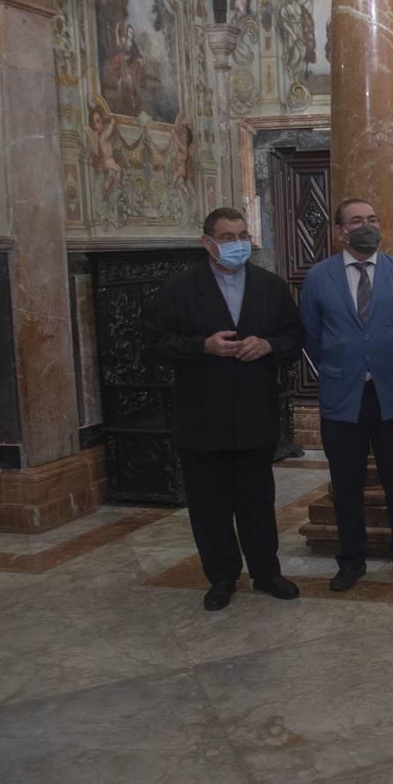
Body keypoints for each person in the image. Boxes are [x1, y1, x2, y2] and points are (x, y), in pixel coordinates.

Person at [146, 207, 304, 611]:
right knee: (209, 504)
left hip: (254, 412)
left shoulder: (270, 287)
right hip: (202, 416)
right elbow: (156, 345)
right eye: (228, 236)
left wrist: (268, 345)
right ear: (208, 242)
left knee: (256, 500)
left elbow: (294, 337)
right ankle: (221, 576)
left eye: (242, 236)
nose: (238, 244)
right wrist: (203, 346)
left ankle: (267, 572)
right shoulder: (179, 289)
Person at [300, 198, 393, 592]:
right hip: (343, 395)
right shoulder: (319, 277)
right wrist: (345, 366)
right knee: (346, 482)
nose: (366, 226)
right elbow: (311, 334)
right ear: (340, 231)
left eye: (372, 219)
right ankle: (351, 560)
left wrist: (391, 364)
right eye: (356, 221)